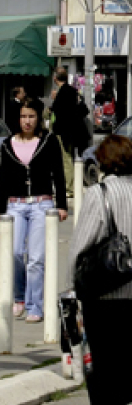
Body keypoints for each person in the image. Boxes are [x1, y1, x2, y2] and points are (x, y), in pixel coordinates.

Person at [67, 135, 132, 405]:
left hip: (103, 291)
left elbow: (81, 243)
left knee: (102, 356)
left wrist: (70, 284)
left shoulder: (99, 193)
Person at [0, 97, 67, 323]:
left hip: (42, 204)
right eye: (23, 116)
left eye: (31, 116)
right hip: (15, 204)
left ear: (38, 118)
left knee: (36, 259)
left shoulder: (49, 141)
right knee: (15, 252)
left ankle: (34, 305)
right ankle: (19, 296)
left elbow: (58, 174)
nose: (27, 121)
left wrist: (61, 205)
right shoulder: (7, 144)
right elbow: (3, 179)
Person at [51, 67, 91, 194]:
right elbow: (83, 110)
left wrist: (54, 102)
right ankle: (71, 185)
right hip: (73, 132)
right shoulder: (74, 92)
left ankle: (69, 187)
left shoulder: (62, 93)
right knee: (70, 159)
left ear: (55, 78)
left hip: (64, 132)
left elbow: (59, 112)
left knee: (66, 160)